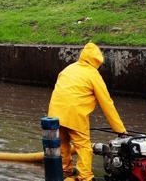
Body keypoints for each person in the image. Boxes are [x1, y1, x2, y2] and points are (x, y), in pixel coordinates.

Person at [48, 42, 127, 181]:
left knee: (62, 144)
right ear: (97, 60)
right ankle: (85, 177)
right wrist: (120, 130)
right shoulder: (93, 74)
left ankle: (65, 172)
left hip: (54, 114)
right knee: (84, 147)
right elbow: (107, 103)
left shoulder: (68, 69)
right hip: (75, 116)